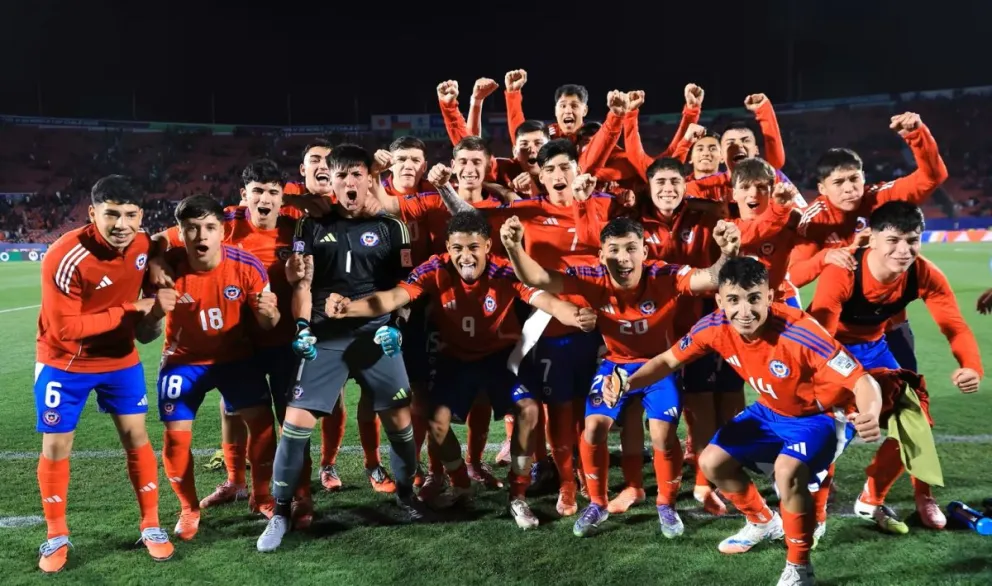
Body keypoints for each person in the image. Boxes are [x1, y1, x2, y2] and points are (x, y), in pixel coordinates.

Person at [611, 257, 883, 586]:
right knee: (712, 462)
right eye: (734, 300)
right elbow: (668, 360)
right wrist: (628, 382)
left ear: (770, 296)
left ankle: (800, 567)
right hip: (771, 409)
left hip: (823, 415)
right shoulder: (713, 327)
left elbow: (862, 381)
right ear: (720, 300)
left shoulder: (802, 332)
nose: (745, 311)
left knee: (787, 473)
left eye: (754, 298)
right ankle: (763, 522)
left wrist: (870, 413)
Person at [325, 212, 594, 528]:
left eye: (473, 247)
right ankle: (460, 483)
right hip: (455, 360)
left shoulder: (504, 269)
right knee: (435, 422)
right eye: (457, 248)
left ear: (488, 246)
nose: (465, 256)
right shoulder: (434, 268)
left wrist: (576, 316)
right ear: (447, 248)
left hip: (501, 358)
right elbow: (392, 298)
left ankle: (518, 495)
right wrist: (349, 308)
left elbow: (548, 302)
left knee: (529, 410)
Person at [500, 213, 741, 539]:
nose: (623, 258)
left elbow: (709, 278)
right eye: (613, 249)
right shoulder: (591, 277)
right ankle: (598, 503)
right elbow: (540, 278)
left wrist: (726, 253)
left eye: (631, 248)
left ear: (644, 251)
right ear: (601, 255)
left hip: (659, 366)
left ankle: (665, 505)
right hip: (614, 365)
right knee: (594, 429)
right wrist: (514, 247)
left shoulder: (665, 274)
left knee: (661, 434)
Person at [257, 144, 422, 553]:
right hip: (325, 338)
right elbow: (302, 285)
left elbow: (405, 288)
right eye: (341, 175)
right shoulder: (310, 227)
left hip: (375, 335)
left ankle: (406, 494)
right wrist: (301, 326)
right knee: (294, 426)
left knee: (401, 424)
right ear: (329, 180)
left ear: (370, 177)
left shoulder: (392, 227)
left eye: (356, 174)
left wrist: (397, 328)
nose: (349, 182)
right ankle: (280, 512)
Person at [807, 201, 983, 532]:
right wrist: (853, 391)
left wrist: (971, 366)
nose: (904, 251)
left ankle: (873, 497)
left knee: (916, 416)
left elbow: (954, 326)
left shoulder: (924, 273)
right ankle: (814, 514)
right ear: (871, 239)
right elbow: (822, 341)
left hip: (875, 348)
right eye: (893, 240)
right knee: (830, 427)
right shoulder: (843, 271)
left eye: (912, 240)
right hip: (830, 350)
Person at [34, 175, 174, 572]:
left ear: (141, 216)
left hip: (119, 359)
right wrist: (131, 311)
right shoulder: (65, 256)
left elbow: (172, 235)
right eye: (111, 214)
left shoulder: (145, 244)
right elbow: (66, 329)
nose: (121, 224)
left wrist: (160, 262)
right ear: (92, 212)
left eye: (131, 215)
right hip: (66, 362)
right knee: (57, 446)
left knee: (137, 436)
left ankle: (151, 525)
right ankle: (56, 535)